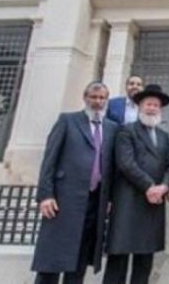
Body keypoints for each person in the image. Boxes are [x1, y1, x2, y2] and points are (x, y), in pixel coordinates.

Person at [31, 81, 118, 284]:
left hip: (94, 202)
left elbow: (111, 167)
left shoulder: (112, 128)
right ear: (85, 98)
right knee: (51, 259)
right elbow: (50, 159)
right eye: (93, 97)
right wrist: (45, 195)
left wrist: (110, 199)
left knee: (80, 258)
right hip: (63, 200)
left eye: (102, 98)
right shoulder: (67, 121)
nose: (97, 102)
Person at [104, 84, 169, 284]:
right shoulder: (126, 131)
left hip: (153, 205)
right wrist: (149, 186)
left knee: (144, 261)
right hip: (128, 202)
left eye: (155, 105)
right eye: (148, 104)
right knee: (118, 261)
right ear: (139, 107)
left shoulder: (164, 136)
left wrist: (164, 187)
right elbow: (126, 164)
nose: (152, 108)